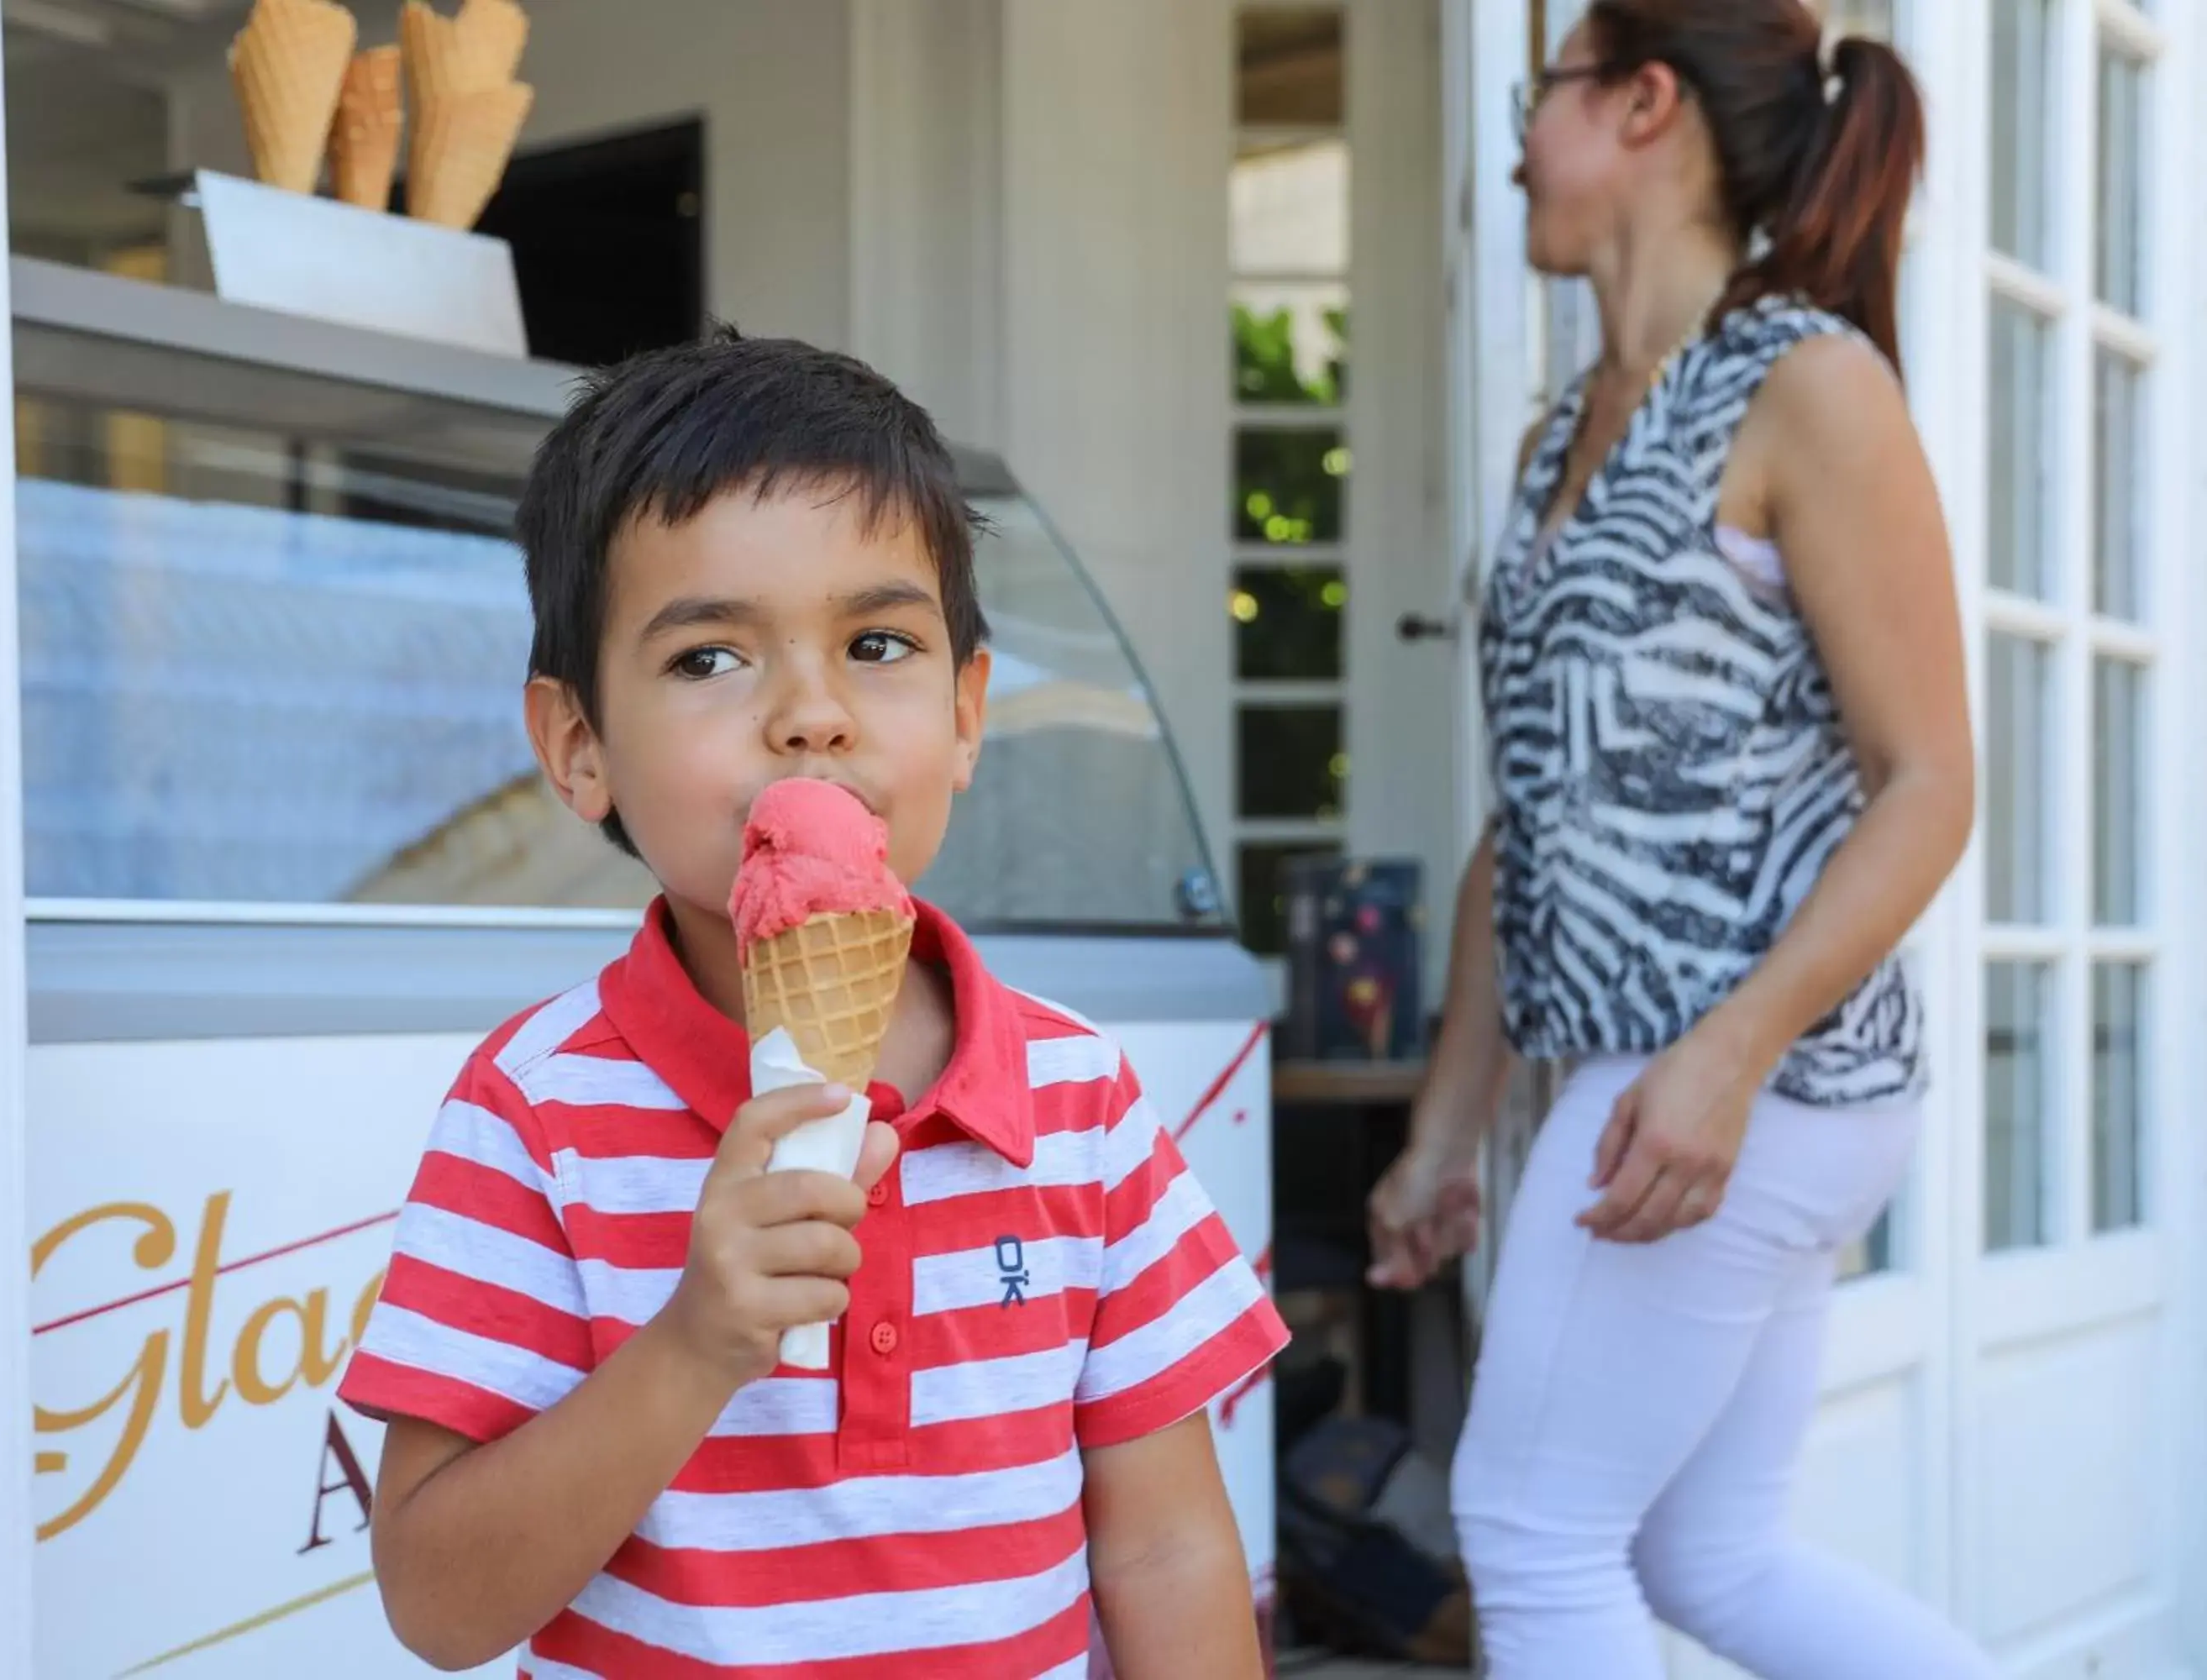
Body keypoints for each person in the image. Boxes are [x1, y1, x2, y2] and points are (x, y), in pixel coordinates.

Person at [336, 333, 1287, 1677]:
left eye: (879, 643)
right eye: (711, 660)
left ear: (968, 712)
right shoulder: (537, 1116)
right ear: (578, 747)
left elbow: (1168, 1551)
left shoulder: (1082, 1104)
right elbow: (437, 1605)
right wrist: (694, 1344)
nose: (812, 714)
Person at [1365, 5, 1996, 1677]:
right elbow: (1535, 816)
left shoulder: (1806, 385)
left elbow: (1931, 777)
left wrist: (1728, 1054)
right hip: (1670, 1086)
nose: (1516, 143)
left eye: (1543, 95)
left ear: (1644, 104)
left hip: (1736, 1080)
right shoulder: (1554, 441)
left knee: (1528, 1533)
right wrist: (1446, 1131)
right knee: (1706, 1557)